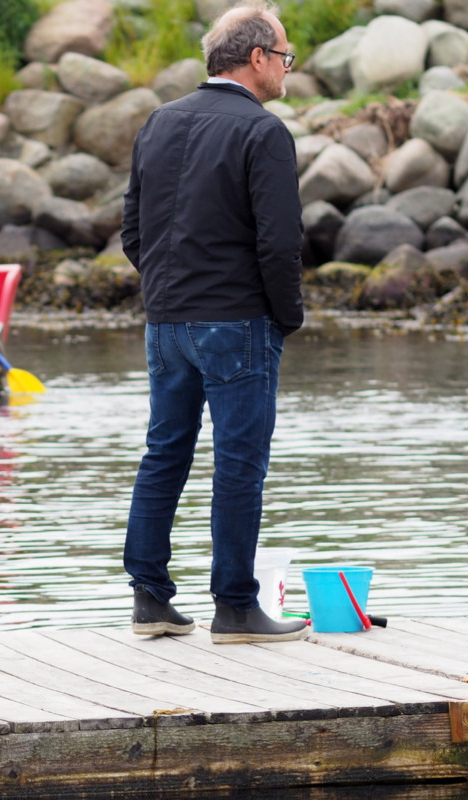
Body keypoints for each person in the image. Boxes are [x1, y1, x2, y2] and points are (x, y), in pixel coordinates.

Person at [120, 0, 307, 645]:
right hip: (238, 320)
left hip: (167, 321)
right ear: (256, 58)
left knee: (163, 453)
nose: (288, 69)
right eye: (284, 57)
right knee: (239, 463)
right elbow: (280, 244)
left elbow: (133, 230)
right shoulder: (264, 131)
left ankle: (150, 600)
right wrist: (287, 318)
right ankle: (234, 606)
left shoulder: (159, 121)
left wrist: (167, 292)